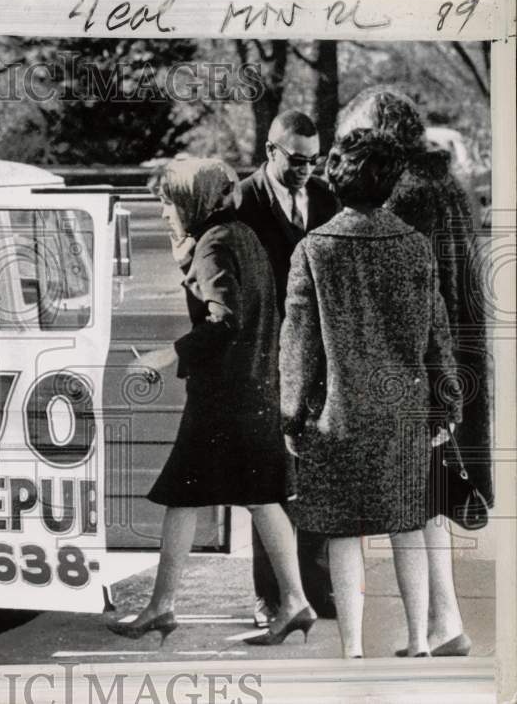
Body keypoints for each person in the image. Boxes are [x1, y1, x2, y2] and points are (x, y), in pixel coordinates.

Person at [108, 157, 315, 647]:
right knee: (254, 497)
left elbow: (226, 320)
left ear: (190, 201)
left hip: (224, 398)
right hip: (253, 390)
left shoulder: (214, 245)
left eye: (167, 202)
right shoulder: (241, 235)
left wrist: (165, 354)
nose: (162, 212)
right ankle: (294, 602)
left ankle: (163, 607)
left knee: (190, 495)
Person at [281, 129, 462, 659]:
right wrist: (446, 403)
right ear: (390, 181)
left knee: (344, 534)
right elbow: (437, 333)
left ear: (335, 177)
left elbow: (298, 344)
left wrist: (291, 415)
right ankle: (415, 641)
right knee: (408, 524)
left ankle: (354, 649)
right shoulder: (414, 246)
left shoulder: (314, 250)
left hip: (336, 416)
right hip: (405, 413)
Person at [336, 87, 492, 657]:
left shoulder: (405, 196)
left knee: (417, 499)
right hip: (449, 360)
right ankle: (444, 623)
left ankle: (438, 628)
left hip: (420, 365)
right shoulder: (443, 185)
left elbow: (402, 295)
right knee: (428, 496)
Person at [237, 110, 340, 626]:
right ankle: (270, 594)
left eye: (313, 160)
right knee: (268, 478)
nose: (305, 169)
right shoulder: (243, 201)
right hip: (261, 356)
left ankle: (316, 588)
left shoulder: (325, 200)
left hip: (317, 355)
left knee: (316, 472)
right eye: (296, 160)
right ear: (270, 151)